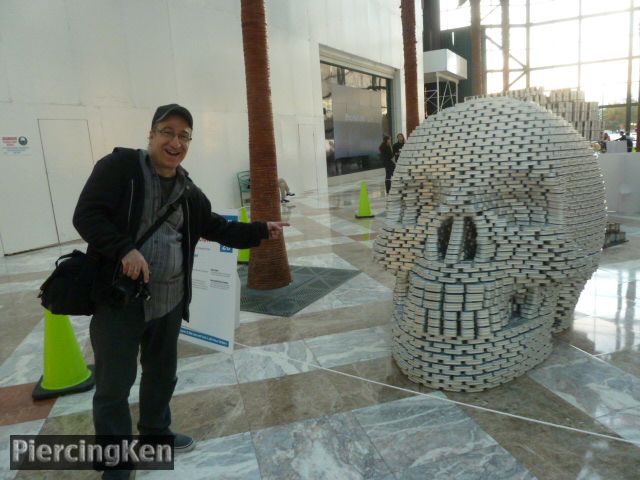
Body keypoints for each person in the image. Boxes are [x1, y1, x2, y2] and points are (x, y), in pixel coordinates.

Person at [73, 104, 287, 479]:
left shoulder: (187, 189)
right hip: (119, 301)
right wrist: (124, 248)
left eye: (184, 135)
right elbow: (87, 214)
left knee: (161, 374)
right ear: (151, 134)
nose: (175, 142)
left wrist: (260, 230)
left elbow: (216, 227)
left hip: (169, 301)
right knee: (113, 385)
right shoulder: (120, 169)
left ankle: (155, 435)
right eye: (167, 132)